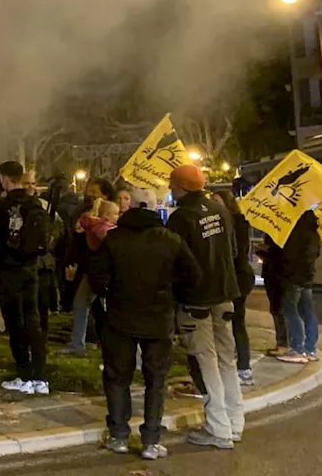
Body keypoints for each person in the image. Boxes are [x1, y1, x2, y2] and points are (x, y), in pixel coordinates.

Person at [92, 195, 201, 460]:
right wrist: (171, 290)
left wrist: (112, 292)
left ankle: (119, 435)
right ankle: (151, 440)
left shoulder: (114, 240)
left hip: (121, 318)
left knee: (118, 377)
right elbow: (194, 275)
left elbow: (97, 278)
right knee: (156, 380)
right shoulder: (170, 240)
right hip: (159, 318)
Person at [166, 164, 243, 449]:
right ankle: (234, 423)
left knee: (206, 363)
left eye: (172, 184)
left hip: (196, 299)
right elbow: (233, 252)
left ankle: (218, 429)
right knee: (226, 361)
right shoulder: (220, 210)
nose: (170, 189)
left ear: (181, 187)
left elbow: (176, 263)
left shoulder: (181, 218)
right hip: (224, 295)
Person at [0, 161, 50, 395]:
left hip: (9, 269)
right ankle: (41, 377)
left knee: (15, 321)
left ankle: (24, 375)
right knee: (34, 320)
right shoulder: (34, 203)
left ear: (4, 179)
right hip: (31, 268)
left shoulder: (3, 205)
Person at [62, 177, 115, 355]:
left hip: (101, 272)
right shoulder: (91, 215)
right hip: (90, 268)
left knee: (111, 311)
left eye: (94, 192)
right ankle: (80, 343)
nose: (89, 195)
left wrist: (96, 209)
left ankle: (86, 343)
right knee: (82, 304)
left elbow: (87, 223)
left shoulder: (102, 224)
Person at [212, 189, 256, 385]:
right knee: (227, 322)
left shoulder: (237, 224)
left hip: (237, 278)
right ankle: (235, 364)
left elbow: (236, 253)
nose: (214, 205)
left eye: (218, 201)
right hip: (229, 277)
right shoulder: (219, 223)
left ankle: (244, 367)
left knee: (237, 321)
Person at [275, 210, 321, 364]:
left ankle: (297, 348)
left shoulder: (297, 233)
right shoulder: (314, 234)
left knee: (291, 310)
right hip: (308, 277)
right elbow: (317, 254)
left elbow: (289, 255)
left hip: (294, 277)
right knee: (307, 311)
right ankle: (310, 349)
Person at [22, 171, 61, 336]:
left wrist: (52, 238)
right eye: (26, 184)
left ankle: (42, 333)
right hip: (25, 260)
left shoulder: (44, 204)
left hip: (44, 262)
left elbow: (58, 226)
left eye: (32, 183)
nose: (30, 187)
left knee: (42, 300)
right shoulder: (17, 205)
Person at [259, 231, 289, 355]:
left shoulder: (280, 232)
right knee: (278, 310)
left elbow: (279, 254)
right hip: (274, 273)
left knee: (278, 310)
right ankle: (285, 343)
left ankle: (283, 344)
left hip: (276, 274)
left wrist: (265, 252)